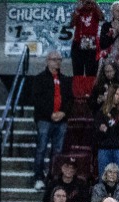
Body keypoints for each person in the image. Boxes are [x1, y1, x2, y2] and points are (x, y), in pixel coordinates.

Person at [32, 51, 75, 187]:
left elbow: (69, 99)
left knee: (58, 150)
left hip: (61, 119)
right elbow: (37, 100)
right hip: (45, 119)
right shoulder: (39, 79)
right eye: (54, 59)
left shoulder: (65, 79)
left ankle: (53, 177)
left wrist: (63, 113)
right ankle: (38, 176)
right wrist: (50, 113)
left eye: (59, 60)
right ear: (48, 61)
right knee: (42, 148)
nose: (57, 62)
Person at [70, 0, 104, 77]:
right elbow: (72, 24)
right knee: (78, 73)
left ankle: (90, 89)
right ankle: (78, 88)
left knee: (91, 73)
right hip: (78, 44)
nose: (88, 3)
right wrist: (78, 9)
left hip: (91, 44)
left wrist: (95, 3)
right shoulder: (79, 10)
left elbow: (102, 18)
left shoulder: (95, 10)